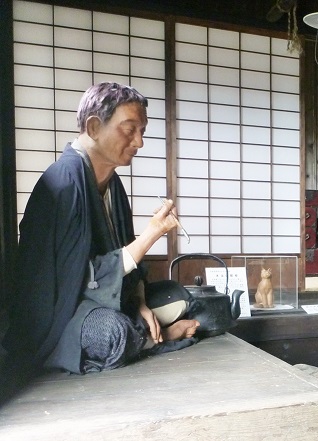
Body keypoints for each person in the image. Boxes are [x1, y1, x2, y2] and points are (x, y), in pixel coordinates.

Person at [1, 83, 199, 400]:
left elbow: (123, 257)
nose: (140, 142)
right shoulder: (64, 182)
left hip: (112, 297)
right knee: (113, 332)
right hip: (65, 312)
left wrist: (142, 303)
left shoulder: (112, 183)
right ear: (94, 127)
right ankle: (152, 338)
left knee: (181, 296)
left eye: (142, 130)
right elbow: (79, 277)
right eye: (129, 130)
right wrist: (151, 235)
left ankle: (145, 326)